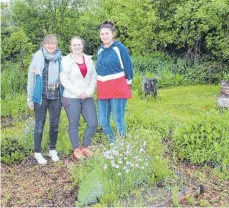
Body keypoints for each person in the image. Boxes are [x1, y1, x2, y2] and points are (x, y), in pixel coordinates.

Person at [60, 36, 98, 160]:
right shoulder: (65, 60)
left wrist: (89, 91)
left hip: (87, 96)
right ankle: (76, 149)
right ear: (70, 47)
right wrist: (78, 92)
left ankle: (86, 147)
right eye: (74, 45)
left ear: (83, 45)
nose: (77, 47)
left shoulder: (88, 59)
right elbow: (64, 79)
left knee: (93, 123)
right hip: (71, 96)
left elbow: (93, 77)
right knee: (74, 124)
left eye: (79, 45)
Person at [27, 34, 62, 165]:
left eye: (53, 43)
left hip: (56, 95)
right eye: (48, 44)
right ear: (44, 45)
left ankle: (52, 150)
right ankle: (38, 152)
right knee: (39, 125)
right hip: (41, 96)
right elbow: (31, 79)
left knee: (54, 124)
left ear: (56, 45)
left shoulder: (60, 59)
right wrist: (29, 98)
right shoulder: (37, 58)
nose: (50, 46)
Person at [96, 21, 133, 142]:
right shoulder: (100, 50)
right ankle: (113, 143)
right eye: (102, 34)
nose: (104, 36)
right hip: (103, 89)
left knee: (118, 120)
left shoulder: (119, 48)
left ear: (112, 34)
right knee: (103, 120)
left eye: (107, 33)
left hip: (117, 88)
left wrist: (128, 83)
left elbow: (128, 66)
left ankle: (122, 145)